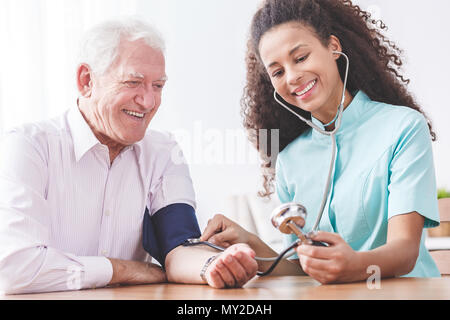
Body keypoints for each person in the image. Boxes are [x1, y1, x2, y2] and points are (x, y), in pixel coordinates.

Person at [0, 17, 257, 294]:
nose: (148, 102)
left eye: (158, 86)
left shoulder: (163, 152)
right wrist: (120, 269)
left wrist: (213, 264)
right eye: (133, 82)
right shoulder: (28, 147)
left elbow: (179, 246)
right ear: (86, 81)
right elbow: (15, 269)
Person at [201, 0, 441, 284]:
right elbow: (301, 269)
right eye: (277, 72)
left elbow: (405, 251)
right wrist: (249, 243)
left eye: (300, 58)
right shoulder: (290, 159)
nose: (292, 77)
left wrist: (355, 265)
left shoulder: (403, 128)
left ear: (333, 47)